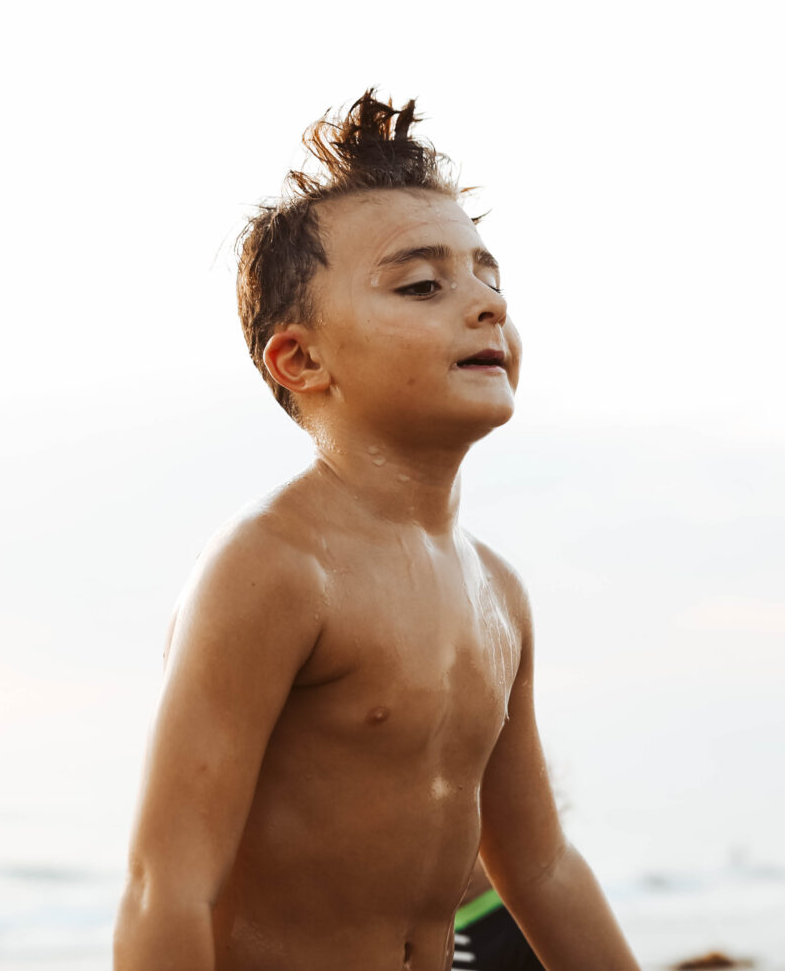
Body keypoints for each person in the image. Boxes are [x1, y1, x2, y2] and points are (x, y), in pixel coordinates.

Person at [115, 91, 639, 970]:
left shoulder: (497, 593)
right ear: (302, 359)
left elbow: (541, 866)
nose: (483, 307)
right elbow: (166, 886)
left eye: (489, 279)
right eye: (423, 284)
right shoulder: (274, 567)